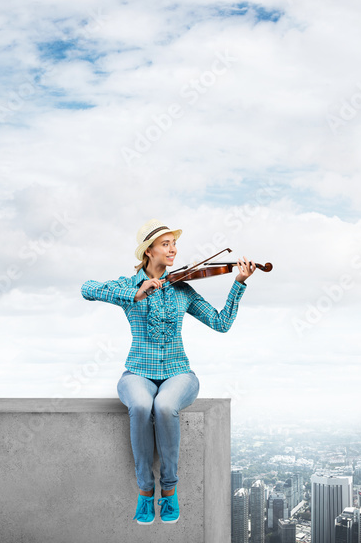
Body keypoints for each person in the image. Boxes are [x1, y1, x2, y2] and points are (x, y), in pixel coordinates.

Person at [81, 219, 255, 525]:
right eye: (166, 244)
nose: (173, 249)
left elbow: (221, 323)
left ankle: (170, 491)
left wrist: (238, 282)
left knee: (164, 406)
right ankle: (145, 493)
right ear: (148, 251)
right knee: (139, 405)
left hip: (179, 373)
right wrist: (135, 293)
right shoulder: (128, 285)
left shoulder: (182, 288)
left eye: (174, 243)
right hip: (137, 372)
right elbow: (87, 289)